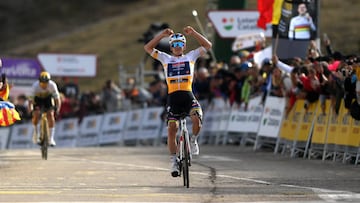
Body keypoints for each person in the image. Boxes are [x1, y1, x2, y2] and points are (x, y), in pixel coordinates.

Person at [144, 25, 212, 177]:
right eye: (174, 44)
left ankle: (193, 140)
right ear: (170, 46)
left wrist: (194, 32)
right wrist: (161, 35)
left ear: (184, 46)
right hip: (173, 98)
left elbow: (208, 45)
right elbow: (148, 48)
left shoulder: (191, 56)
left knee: (197, 119)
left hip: (188, 96)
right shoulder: (165, 58)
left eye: (180, 44)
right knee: (172, 128)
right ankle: (174, 160)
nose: (177, 47)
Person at [28, 71, 61, 146]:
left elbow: (57, 99)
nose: (44, 85)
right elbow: (30, 101)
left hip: (48, 99)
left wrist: (57, 109)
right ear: (39, 81)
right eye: (42, 82)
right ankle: (36, 133)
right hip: (38, 99)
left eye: (46, 83)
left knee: (51, 115)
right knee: (36, 114)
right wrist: (31, 111)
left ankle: (51, 138)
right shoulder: (35, 86)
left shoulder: (52, 85)